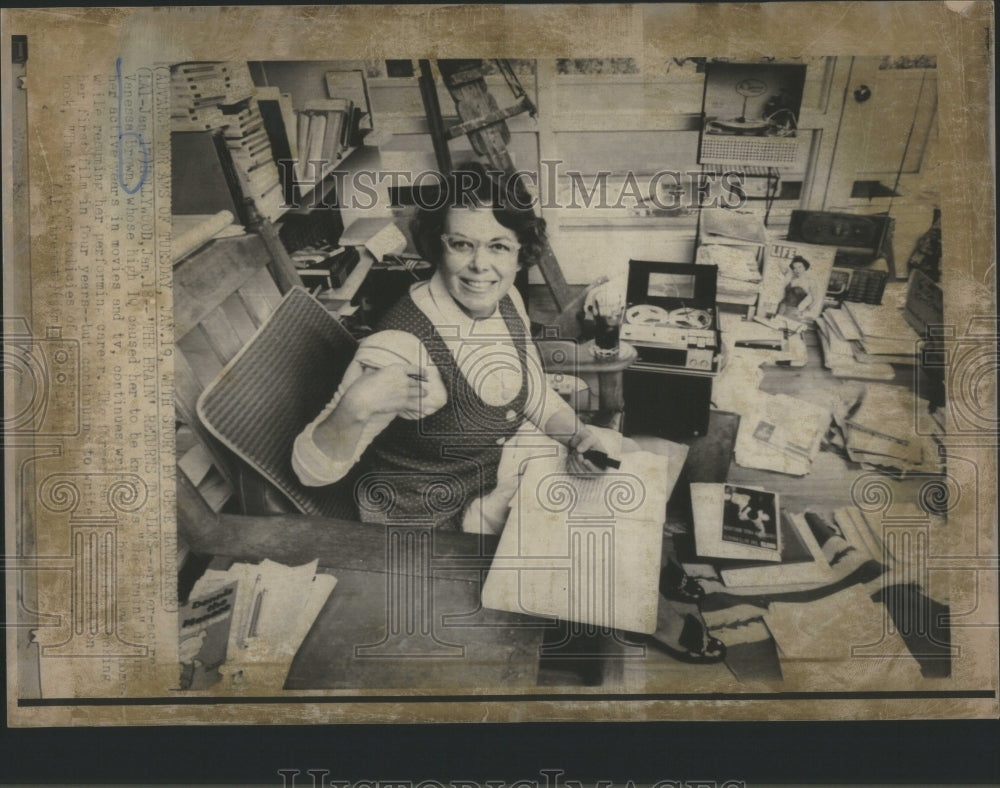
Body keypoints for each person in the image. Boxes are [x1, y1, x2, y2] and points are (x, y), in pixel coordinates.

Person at [293, 163, 725, 664]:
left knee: (619, 458)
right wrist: (358, 403)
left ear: (521, 253)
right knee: (594, 527)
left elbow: (534, 396)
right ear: (436, 244)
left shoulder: (505, 299)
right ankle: (649, 609)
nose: (481, 266)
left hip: (493, 459)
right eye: (461, 245)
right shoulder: (397, 346)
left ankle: (652, 567)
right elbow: (309, 469)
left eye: (498, 246)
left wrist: (578, 435)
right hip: (436, 511)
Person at [777, 255, 816, 320]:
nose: (797, 270)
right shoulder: (792, 278)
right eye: (794, 268)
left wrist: (804, 311)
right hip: (781, 307)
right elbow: (779, 264)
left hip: (792, 311)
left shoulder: (810, 281)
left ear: (805, 267)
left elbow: (815, 300)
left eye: (800, 267)